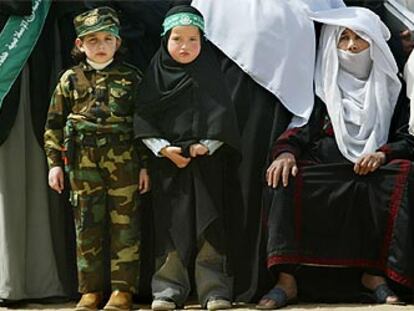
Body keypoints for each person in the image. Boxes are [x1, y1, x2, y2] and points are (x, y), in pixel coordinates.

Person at [259, 7, 414, 309]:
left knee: (404, 173)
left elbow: (407, 137)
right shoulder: (322, 88)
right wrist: (286, 153)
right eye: (344, 38)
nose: (352, 46)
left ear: (376, 46)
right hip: (327, 166)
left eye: (360, 38)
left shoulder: (394, 90)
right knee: (284, 177)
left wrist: (383, 155)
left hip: (372, 170)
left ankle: (374, 275)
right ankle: (286, 280)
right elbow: (301, 127)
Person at [191, 0, 345, 300]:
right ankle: (217, 285)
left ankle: (275, 278)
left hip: (285, 111)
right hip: (226, 98)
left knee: (270, 182)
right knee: (227, 187)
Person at [134, 5, 240, 311]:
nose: (185, 46)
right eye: (178, 39)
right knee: (169, 226)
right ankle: (167, 289)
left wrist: (207, 145)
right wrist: (163, 148)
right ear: (165, 39)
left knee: (210, 227)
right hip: (167, 166)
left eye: (193, 39)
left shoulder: (211, 73)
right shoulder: (155, 75)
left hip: (207, 166)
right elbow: (143, 118)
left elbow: (225, 118)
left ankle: (214, 290)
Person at [44, 6, 149, 311]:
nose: (100, 46)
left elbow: (143, 125)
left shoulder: (132, 78)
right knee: (87, 224)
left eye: (106, 39)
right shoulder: (69, 79)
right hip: (82, 162)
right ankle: (90, 290)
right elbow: (53, 123)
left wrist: (144, 165)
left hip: (124, 161)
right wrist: (54, 164)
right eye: (92, 40)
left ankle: (122, 291)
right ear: (79, 44)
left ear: (117, 42)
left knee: (125, 225)